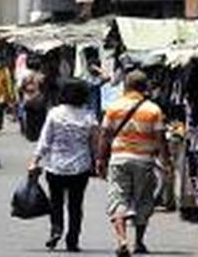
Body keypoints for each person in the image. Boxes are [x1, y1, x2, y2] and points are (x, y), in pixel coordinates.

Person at [96, 70, 171, 257]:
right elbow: (161, 139)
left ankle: (122, 240)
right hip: (144, 161)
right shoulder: (153, 109)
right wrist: (166, 162)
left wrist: (100, 159)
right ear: (144, 87)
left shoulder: (114, 107)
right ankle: (139, 242)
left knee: (118, 198)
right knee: (143, 200)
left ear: (126, 86)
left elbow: (104, 135)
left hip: (119, 159)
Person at [29, 78, 98, 253]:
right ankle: (72, 239)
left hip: (55, 165)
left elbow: (45, 140)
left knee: (56, 201)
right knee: (76, 205)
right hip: (80, 167)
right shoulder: (89, 116)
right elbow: (94, 144)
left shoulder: (55, 113)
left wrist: (35, 161)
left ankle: (56, 228)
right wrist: (98, 162)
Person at [20, 54, 47, 142]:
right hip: (40, 99)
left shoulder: (25, 75)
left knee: (30, 118)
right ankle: (38, 134)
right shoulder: (42, 76)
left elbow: (20, 87)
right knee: (39, 118)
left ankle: (31, 135)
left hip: (28, 98)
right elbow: (45, 88)